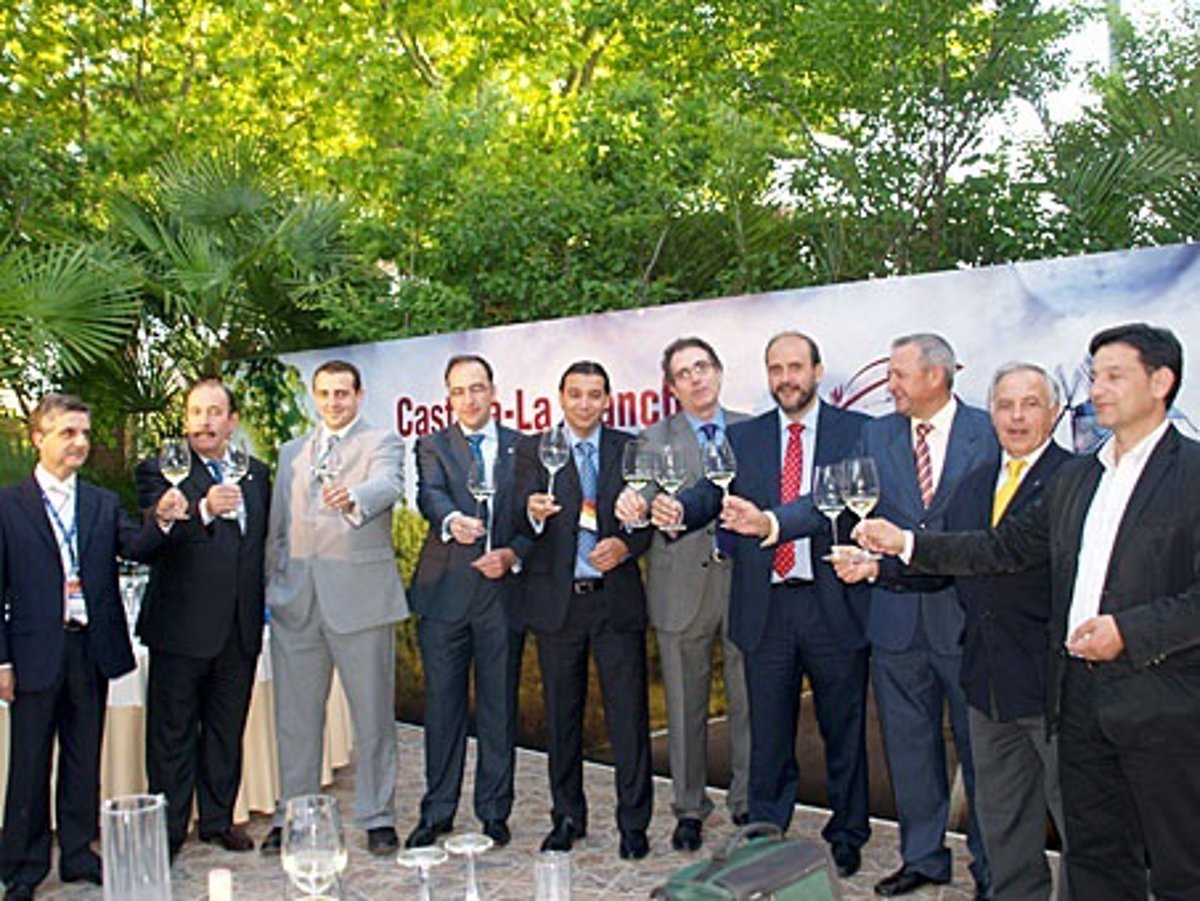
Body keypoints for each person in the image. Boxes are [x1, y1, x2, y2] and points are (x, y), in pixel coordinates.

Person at [855, 323, 1200, 900]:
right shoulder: (1082, 477)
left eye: (1114, 376)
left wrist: (1128, 631)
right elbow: (1002, 549)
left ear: (1161, 381)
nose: (1098, 389)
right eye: (1095, 376)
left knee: (1180, 863)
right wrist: (905, 544)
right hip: (1077, 698)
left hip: (1161, 702)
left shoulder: (1192, 474)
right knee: (1095, 856)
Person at [640, 332, 872, 878]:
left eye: (796, 367)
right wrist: (679, 510)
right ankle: (767, 831)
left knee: (843, 729)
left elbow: (832, 503)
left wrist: (771, 522)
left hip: (832, 602)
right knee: (767, 735)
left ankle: (847, 833)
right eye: (775, 369)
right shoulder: (744, 436)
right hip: (766, 607)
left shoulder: (857, 431)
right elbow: (712, 492)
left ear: (817, 370)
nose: (786, 378)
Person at [847, 362, 1072, 900]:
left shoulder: (1075, 479)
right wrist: (877, 568)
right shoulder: (977, 484)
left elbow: (999, 551)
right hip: (986, 681)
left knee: (1078, 823)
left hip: (1054, 684)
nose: (1016, 417)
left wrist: (904, 542)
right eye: (1005, 405)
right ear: (989, 413)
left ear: (1054, 412)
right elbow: (949, 562)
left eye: (1030, 404)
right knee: (1004, 823)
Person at [0, 395, 176, 899]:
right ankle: (24, 866)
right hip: (34, 652)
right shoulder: (8, 505)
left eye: (84, 433)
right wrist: (2, 660)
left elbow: (136, 547)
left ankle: (78, 853)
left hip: (90, 649)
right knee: (30, 763)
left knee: (83, 758)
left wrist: (162, 521)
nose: (79, 442)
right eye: (67, 433)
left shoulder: (100, 502)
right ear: (38, 438)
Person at [847, 333, 994, 899]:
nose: (890, 385)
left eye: (899, 374)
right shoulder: (876, 433)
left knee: (983, 755)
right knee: (909, 748)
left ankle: (992, 866)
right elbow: (842, 499)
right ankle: (924, 858)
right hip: (896, 621)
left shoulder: (989, 431)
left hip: (967, 620)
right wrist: (773, 524)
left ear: (937, 375)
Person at [261, 360, 408, 857]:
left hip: (361, 603)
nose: (333, 402)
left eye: (342, 393)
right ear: (314, 396)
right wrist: (272, 588)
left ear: (359, 395)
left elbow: (389, 485)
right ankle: (293, 814)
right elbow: (277, 529)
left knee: (373, 718)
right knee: (295, 721)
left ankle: (378, 816)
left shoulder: (381, 442)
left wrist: (354, 497)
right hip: (295, 605)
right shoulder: (291, 452)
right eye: (324, 393)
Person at [515, 360, 654, 859]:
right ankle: (567, 817)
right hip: (559, 606)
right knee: (562, 718)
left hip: (615, 601)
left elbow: (647, 519)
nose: (584, 404)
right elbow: (516, 517)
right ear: (561, 397)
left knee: (629, 719)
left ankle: (634, 825)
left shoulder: (630, 448)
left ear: (608, 400)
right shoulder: (534, 449)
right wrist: (532, 515)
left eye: (595, 395)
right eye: (575, 394)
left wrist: (627, 545)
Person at [620, 337, 751, 852]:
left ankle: (747, 800)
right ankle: (690, 808)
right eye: (684, 373)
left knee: (749, 700)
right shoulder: (653, 440)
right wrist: (635, 505)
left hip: (744, 582)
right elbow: (640, 495)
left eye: (702, 367)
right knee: (683, 705)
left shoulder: (752, 431)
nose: (696, 378)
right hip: (680, 586)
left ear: (718, 372)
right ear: (672, 387)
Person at [135, 378, 271, 858]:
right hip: (181, 628)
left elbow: (259, 546)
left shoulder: (257, 473)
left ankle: (217, 821)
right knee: (171, 735)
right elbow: (151, 539)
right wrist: (203, 509)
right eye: (195, 412)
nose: (204, 422)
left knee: (225, 730)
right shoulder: (159, 470)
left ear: (232, 421)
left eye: (214, 412)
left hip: (240, 628)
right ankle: (168, 832)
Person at [406, 354, 529, 849]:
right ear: (448, 398)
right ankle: (437, 811)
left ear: (493, 391)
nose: (469, 399)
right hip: (445, 595)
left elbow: (532, 520)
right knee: (443, 710)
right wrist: (452, 520)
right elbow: (430, 496)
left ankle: (495, 811)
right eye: (459, 391)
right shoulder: (432, 445)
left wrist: (513, 553)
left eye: (477, 388)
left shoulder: (523, 447)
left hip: (502, 595)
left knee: (499, 708)